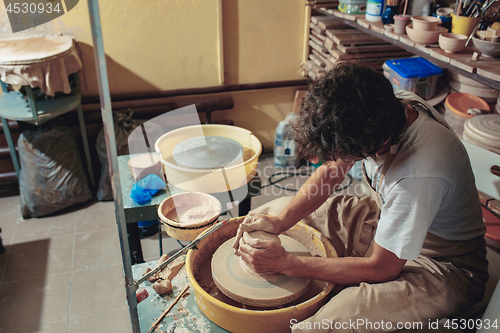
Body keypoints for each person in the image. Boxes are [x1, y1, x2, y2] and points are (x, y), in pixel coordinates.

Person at [233, 63, 489, 332]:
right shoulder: (388, 106)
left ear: (369, 148)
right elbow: (332, 172)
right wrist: (280, 222)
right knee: (270, 212)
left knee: (323, 325)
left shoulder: (417, 173)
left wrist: (287, 264)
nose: (330, 161)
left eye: (341, 154)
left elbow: (382, 268)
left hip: (443, 265)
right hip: (387, 217)